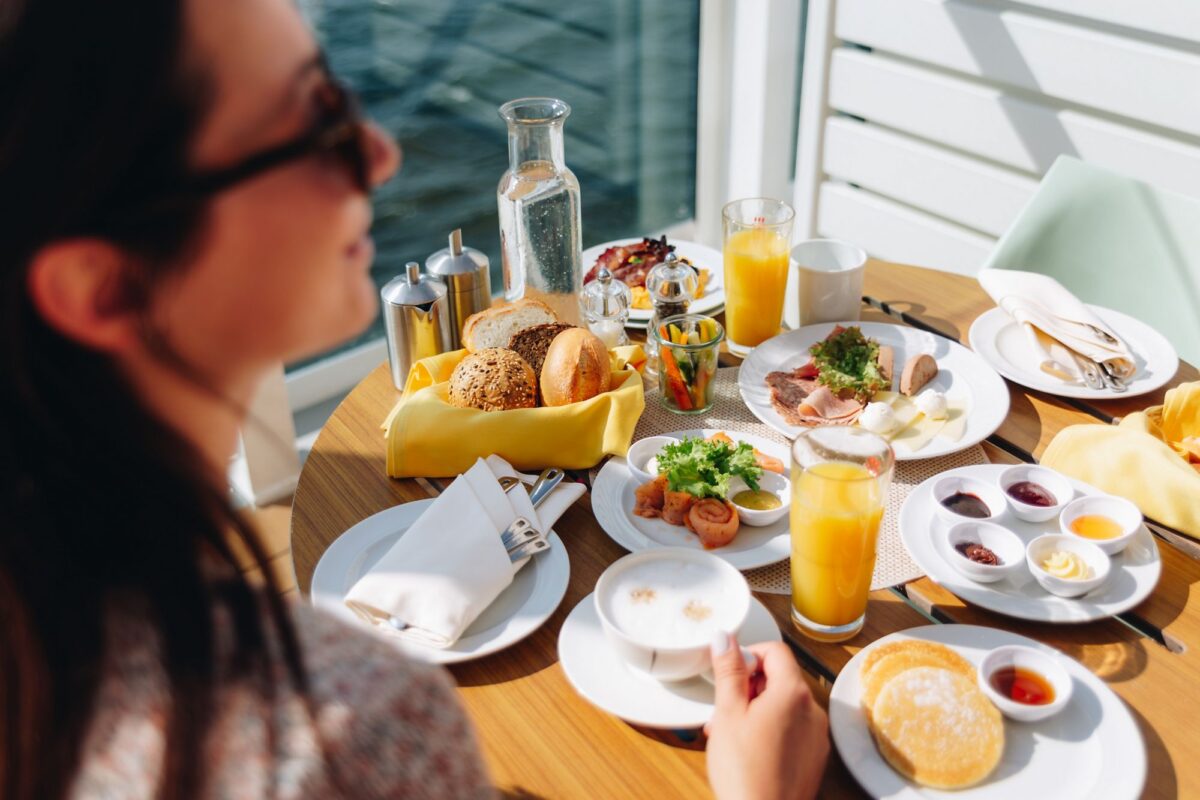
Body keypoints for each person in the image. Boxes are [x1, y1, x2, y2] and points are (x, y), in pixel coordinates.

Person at [0, 0, 829, 797]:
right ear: (102, 288)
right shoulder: (354, 726)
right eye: (308, 125)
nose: (381, 153)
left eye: (342, 99)